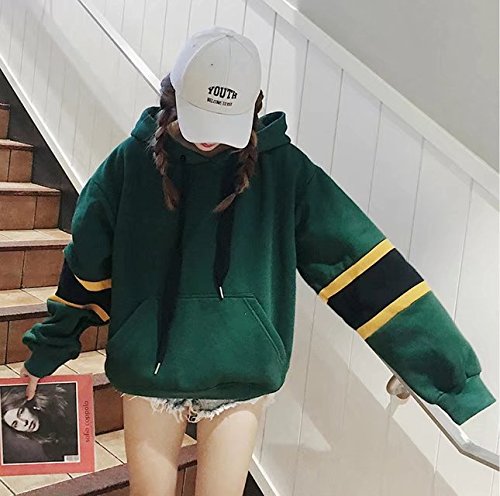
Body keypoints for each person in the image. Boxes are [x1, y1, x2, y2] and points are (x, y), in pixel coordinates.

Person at [19, 26, 495, 496]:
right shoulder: (129, 164)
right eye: (200, 119)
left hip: (241, 370)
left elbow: (362, 265)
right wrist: (48, 350)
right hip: (151, 368)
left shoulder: (284, 170)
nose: (210, 141)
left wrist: (447, 371)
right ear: (173, 97)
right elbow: (85, 264)